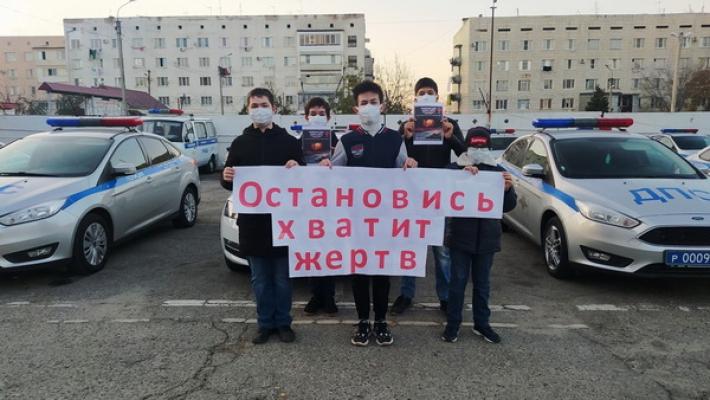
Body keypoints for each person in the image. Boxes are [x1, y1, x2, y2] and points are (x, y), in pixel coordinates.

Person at [320, 80, 418, 347]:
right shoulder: (348, 140)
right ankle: (363, 321)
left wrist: (410, 165)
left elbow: (405, 173)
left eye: (373, 102)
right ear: (356, 108)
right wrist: (326, 166)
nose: (369, 106)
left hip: (386, 220)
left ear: (382, 106)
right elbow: (333, 173)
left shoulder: (395, 139)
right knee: (359, 273)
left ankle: (381, 321)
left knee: (382, 273)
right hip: (356, 221)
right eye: (363, 103)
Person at [221, 87, 304, 345]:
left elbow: (304, 180)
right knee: (259, 280)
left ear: (274, 108)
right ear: (248, 110)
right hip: (253, 224)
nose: (259, 110)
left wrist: (297, 167)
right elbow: (229, 180)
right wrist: (226, 176)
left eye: (264, 105)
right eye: (254, 106)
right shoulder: (240, 143)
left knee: (282, 279)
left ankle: (284, 323)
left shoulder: (289, 142)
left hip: (283, 223)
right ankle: (265, 324)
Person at [391, 77, 467, 315]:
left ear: (437, 96)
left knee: (442, 251)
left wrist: (450, 137)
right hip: (412, 197)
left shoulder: (449, 124)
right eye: (422, 92)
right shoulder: (407, 124)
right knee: (411, 248)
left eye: (430, 92)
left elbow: (466, 156)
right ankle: (406, 294)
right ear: (415, 98)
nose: (426, 95)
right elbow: (392, 156)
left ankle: (445, 297)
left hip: (438, 197)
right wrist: (404, 135)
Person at [442, 127, 516, 344]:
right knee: (457, 283)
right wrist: (461, 177)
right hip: (459, 237)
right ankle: (452, 324)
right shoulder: (454, 168)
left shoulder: (498, 171)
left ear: (489, 146)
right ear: (467, 146)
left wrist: (507, 190)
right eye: (474, 145)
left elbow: (509, 206)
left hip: (487, 239)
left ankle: (482, 324)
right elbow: (441, 191)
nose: (478, 149)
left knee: (482, 285)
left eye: (482, 145)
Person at [301, 97, 339, 316]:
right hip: (308, 206)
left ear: (328, 117)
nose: (317, 117)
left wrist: (333, 160)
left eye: (321, 113)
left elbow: (347, 169)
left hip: (331, 206)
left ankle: (329, 296)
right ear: (306, 117)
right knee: (313, 252)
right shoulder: (298, 142)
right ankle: (316, 296)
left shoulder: (337, 141)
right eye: (313, 113)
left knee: (329, 251)